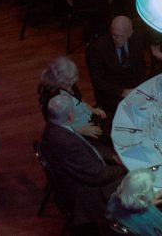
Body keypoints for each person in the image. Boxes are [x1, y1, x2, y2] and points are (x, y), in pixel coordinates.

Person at [39, 94, 126, 227]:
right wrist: (122, 169)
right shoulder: (65, 142)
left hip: (85, 175)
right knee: (134, 182)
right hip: (84, 195)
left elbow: (88, 146)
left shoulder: (54, 127)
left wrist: (112, 157)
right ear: (70, 116)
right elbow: (97, 175)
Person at [86, 16, 148, 114]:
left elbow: (141, 66)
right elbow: (97, 80)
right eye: (114, 35)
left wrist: (140, 87)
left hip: (133, 86)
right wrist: (121, 91)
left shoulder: (137, 39)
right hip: (112, 91)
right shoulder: (99, 47)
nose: (117, 40)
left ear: (130, 33)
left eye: (122, 36)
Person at [37, 56, 106, 139]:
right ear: (59, 81)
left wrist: (92, 109)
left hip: (86, 117)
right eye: (68, 82)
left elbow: (79, 100)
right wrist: (81, 131)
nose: (73, 82)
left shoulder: (68, 83)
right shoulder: (55, 100)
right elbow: (57, 128)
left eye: (74, 77)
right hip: (77, 131)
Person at [106, 169, 162, 236]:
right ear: (141, 197)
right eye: (151, 189)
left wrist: (148, 202)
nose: (152, 192)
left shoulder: (115, 197)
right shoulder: (151, 220)